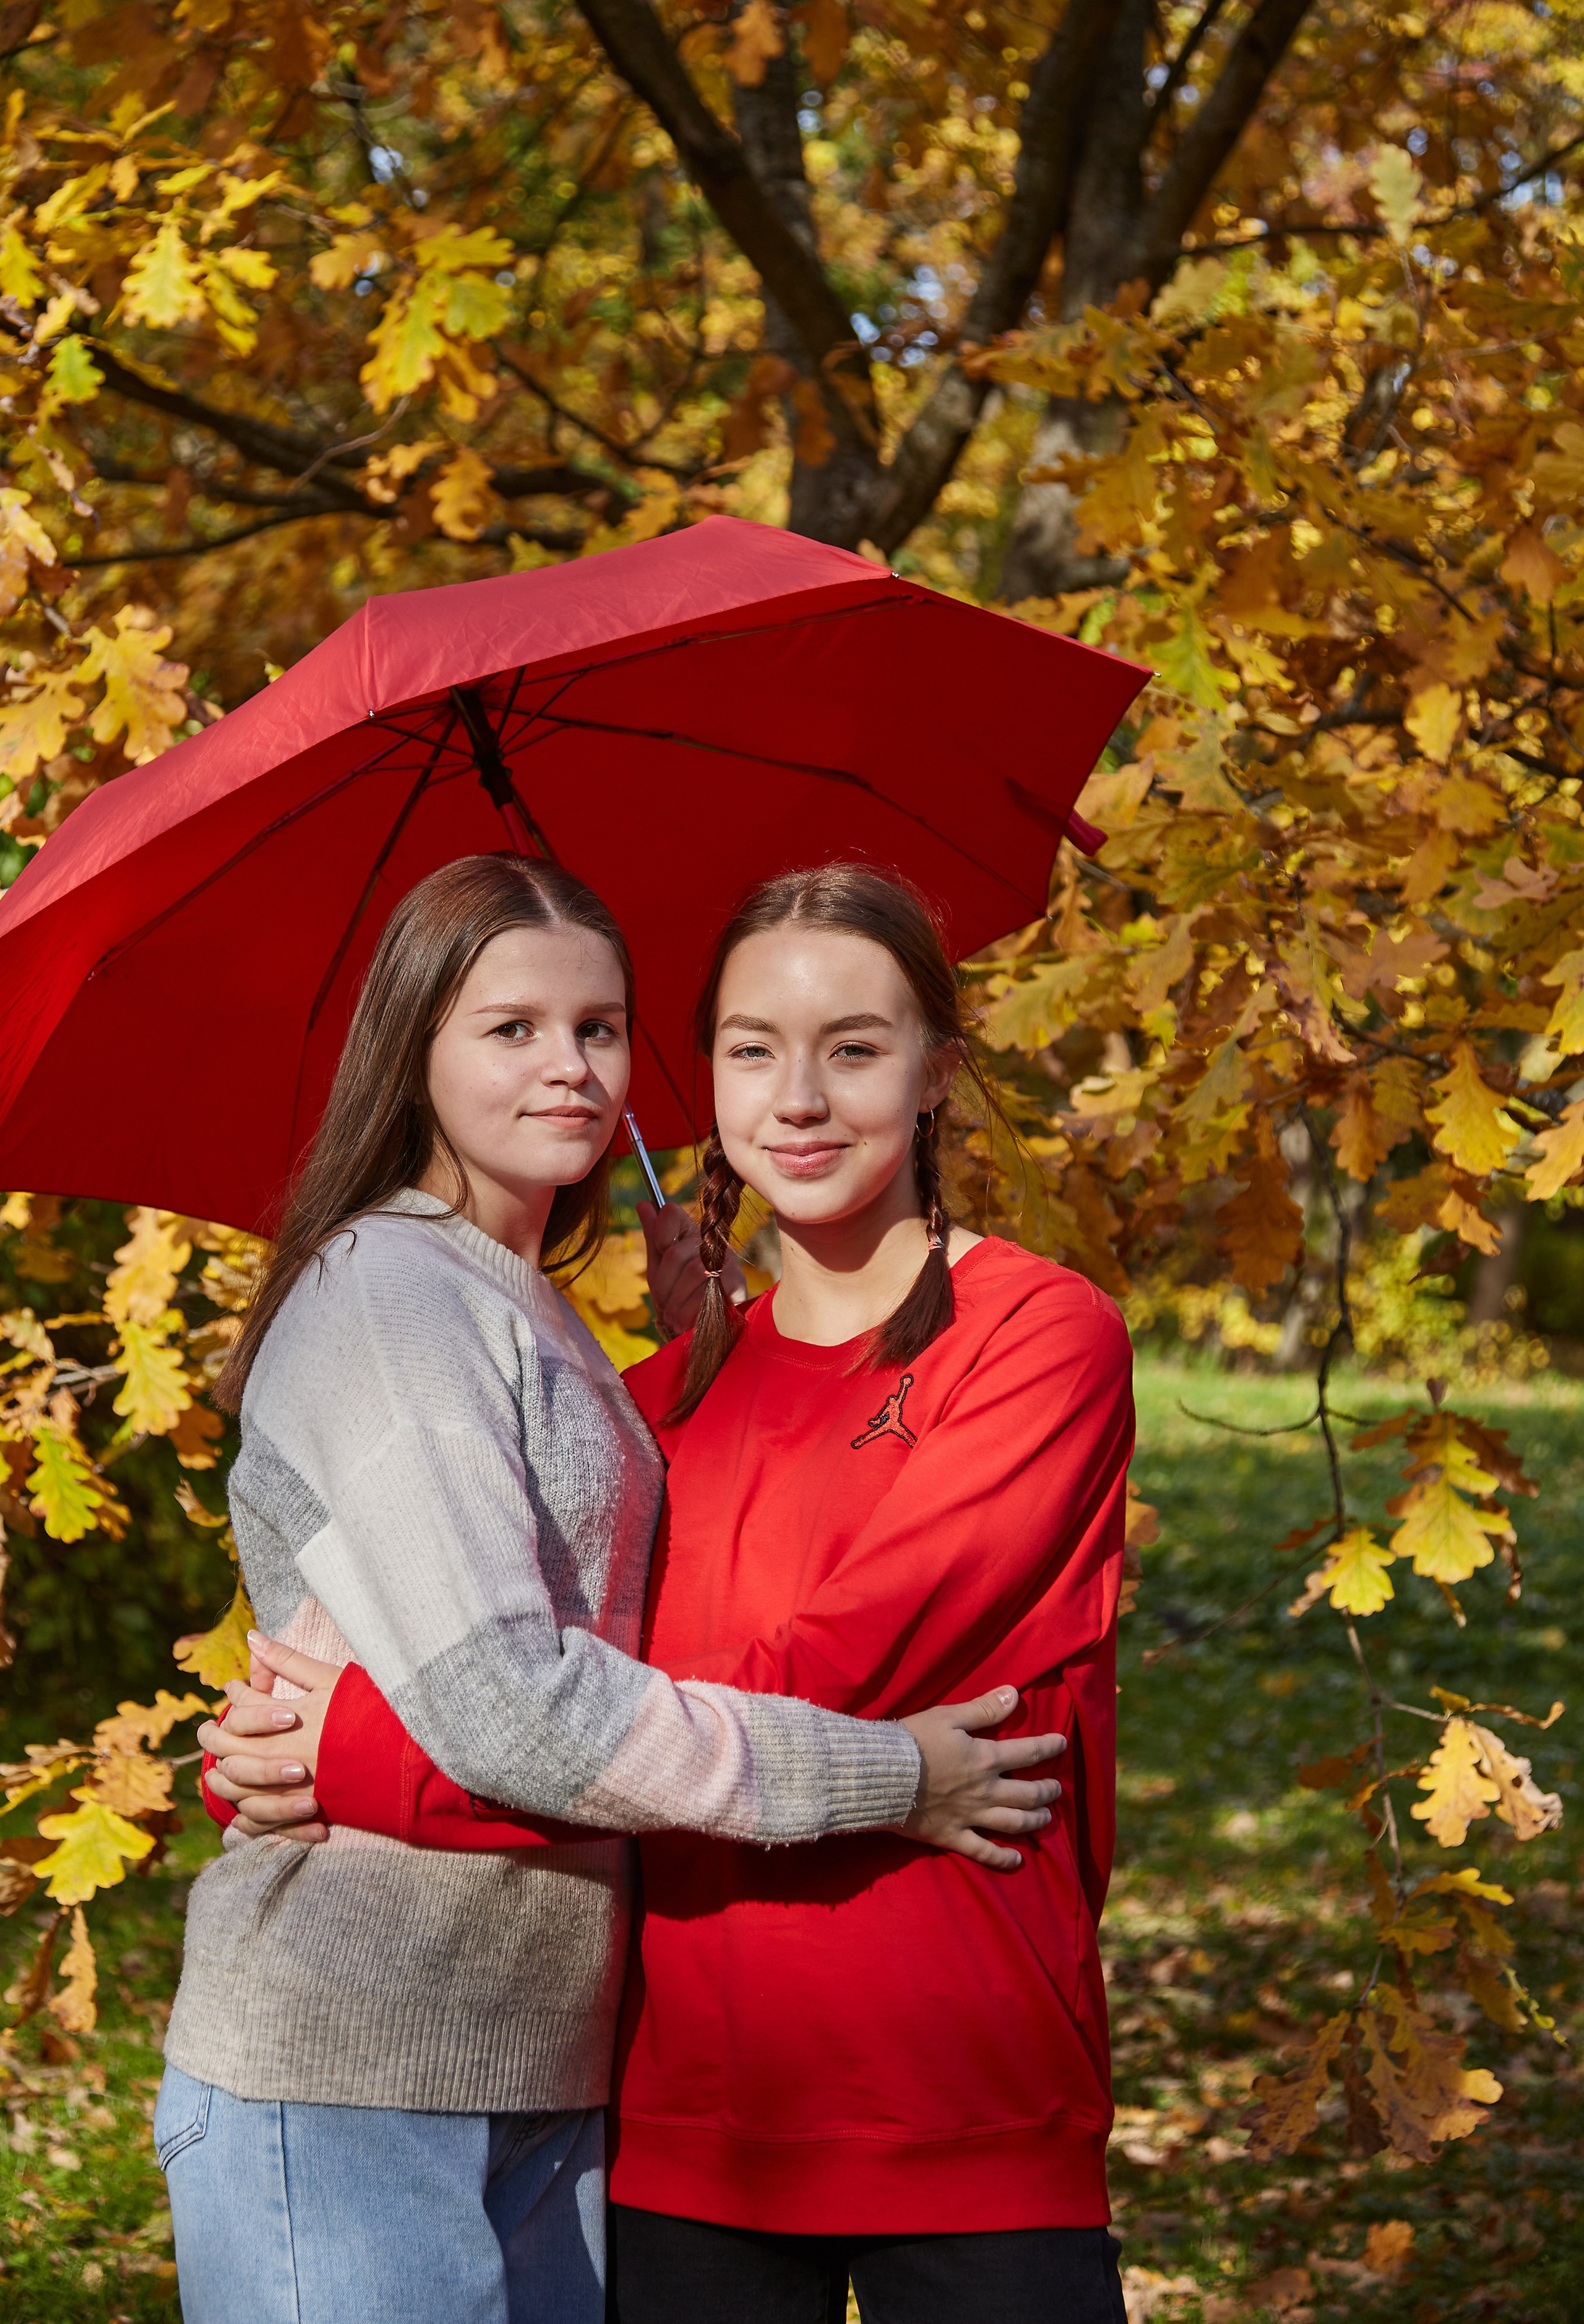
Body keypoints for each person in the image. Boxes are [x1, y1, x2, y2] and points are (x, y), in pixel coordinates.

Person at [207, 863, 1134, 2324]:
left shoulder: (1038, 1336)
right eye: (752, 1048)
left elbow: (788, 1670)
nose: (801, 1098)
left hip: (962, 2096)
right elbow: (547, 1687)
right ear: (704, 1076)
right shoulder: (646, 1404)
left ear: (938, 1072)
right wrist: (437, 1706)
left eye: (857, 1047)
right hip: (669, 2125)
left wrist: (364, 1748)